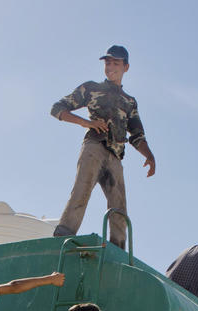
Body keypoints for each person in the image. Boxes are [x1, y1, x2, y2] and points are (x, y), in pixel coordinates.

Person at [51, 45, 156, 249]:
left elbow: (137, 135)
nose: (110, 67)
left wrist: (149, 156)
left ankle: (117, 251)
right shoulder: (91, 88)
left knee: (119, 207)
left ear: (126, 67)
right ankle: (61, 239)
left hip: (115, 156)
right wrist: (86, 123)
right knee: (81, 190)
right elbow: (57, 109)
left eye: (115, 63)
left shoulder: (130, 102)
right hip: (94, 147)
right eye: (107, 63)